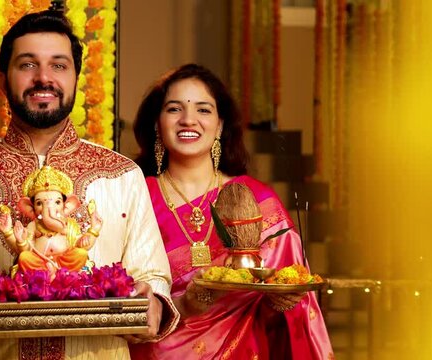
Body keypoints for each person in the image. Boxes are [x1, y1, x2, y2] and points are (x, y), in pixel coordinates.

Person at [0, 10, 179, 359]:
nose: (43, 78)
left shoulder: (122, 175)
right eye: (27, 65)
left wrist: (152, 302)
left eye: (59, 66)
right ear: (3, 80)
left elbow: (153, 275)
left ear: (76, 77)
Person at [129, 64, 333, 359]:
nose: (188, 120)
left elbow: (290, 304)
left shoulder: (257, 199)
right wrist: (184, 305)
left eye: (203, 110)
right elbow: (120, 294)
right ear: (157, 124)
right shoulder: (135, 195)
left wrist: (282, 301)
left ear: (221, 125)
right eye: (174, 109)